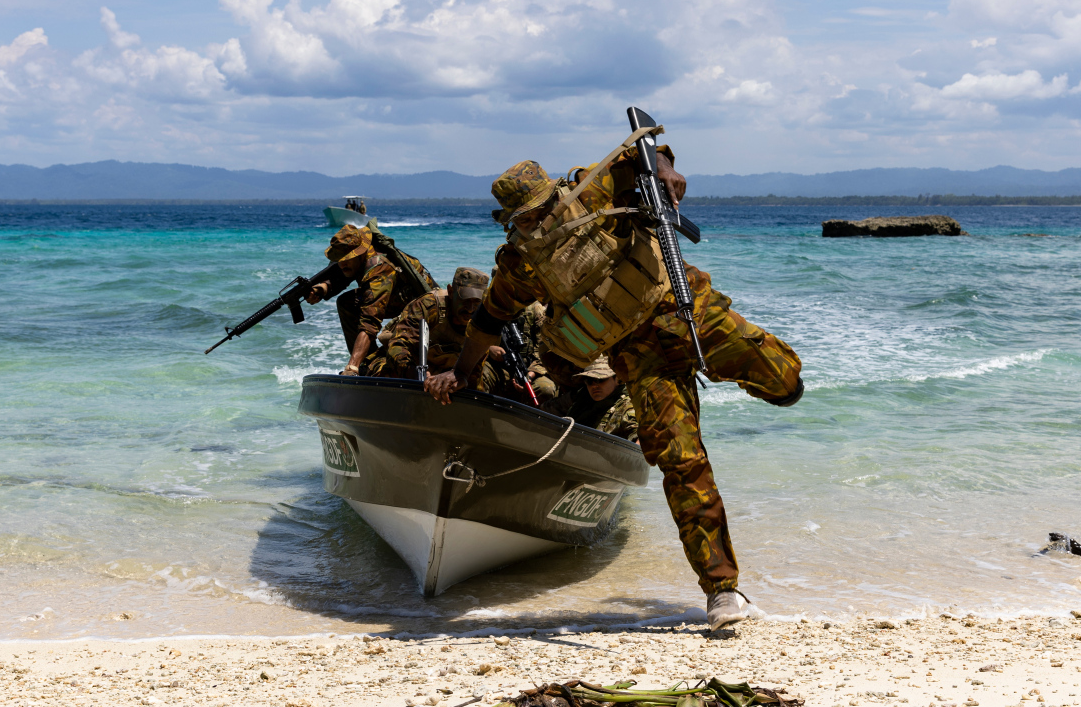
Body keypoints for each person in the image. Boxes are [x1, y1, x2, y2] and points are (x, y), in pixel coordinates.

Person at [424, 136, 804, 631]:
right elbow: (488, 322)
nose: (539, 222)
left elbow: (644, 149)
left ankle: (738, 376)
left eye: (544, 209)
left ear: (556, 195)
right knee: (682, 464)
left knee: (787, 383)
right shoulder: (521, 263)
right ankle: (722, 590)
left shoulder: (592, 189)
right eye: (526, 219)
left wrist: (664, 168)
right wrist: (460, 372)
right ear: (512, 222)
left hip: (692, 313)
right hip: (643, 360)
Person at [306, 224, 434, 376]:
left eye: (347, 259)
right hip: (399, 298)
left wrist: (352, 368)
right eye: (339, 259)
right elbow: (343, 275)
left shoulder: (378, 268)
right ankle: (370, 362)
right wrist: (323, 288)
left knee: (397, 355)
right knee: (346, 302)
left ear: (360, 253)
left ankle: (365, 365)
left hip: (422, 311)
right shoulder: (359, 257)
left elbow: (370, 321)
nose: (342, 263)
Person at [366, 267, 497, 385]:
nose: (470, 308)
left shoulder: (482, 320)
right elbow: (398, 346)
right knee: (386, 375)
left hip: (445, 372)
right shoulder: (429, 306)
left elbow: (475, 368)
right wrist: (415, 374)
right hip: (406, 365)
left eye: (476, 302)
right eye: (465, 300)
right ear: (451, 291)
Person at [544, 356, 638, 443]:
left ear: (617, 379)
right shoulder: (582, 399)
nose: (594, 385)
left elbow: (640, 439)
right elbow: (546, 410)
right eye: (589, 380)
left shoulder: (628, 407)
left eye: (600, 379)